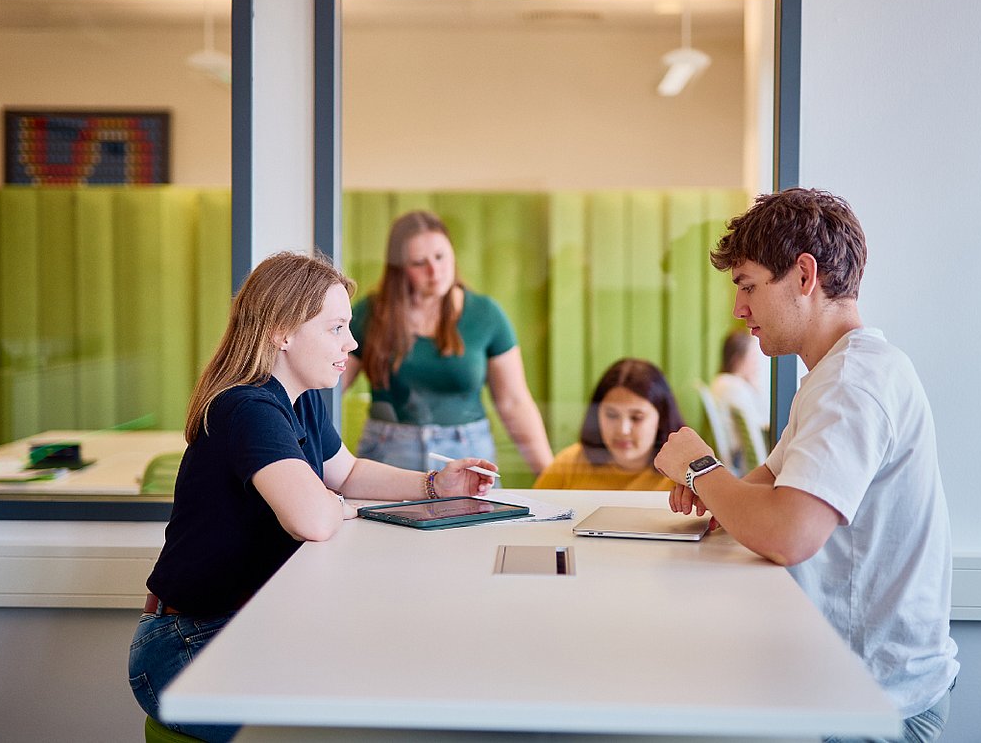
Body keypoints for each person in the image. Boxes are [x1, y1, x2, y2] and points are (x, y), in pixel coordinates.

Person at [128, 252, 495, 742]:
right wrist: (341, 506)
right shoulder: (247, 407)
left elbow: (346, 472)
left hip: (230, 628)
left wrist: (433, 485)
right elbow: (313, 520)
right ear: (282, 331)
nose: (353, 341)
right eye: (336, 328)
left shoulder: (299, 400)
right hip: (187, 647)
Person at [654, 188, 958, 743]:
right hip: (852, 691)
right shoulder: (836, 374)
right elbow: (765, 489)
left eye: (748, 286)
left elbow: (788, 533)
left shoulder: (851, 384)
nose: (738, 309)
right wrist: (715, 492)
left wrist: (700, 467)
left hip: (876, 705)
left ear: (803, 275)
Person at [342, 210, 554, 475]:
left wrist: (549, 475)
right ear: (400, 268)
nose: (435, 270)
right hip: (389, 451)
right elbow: (328, 388)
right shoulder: (371, 314)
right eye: (420, 263)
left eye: (441, 257)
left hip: (468, 451)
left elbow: (514, 402)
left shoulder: (485, 314)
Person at [534, 358, 682, 490]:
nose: (623, 430)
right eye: (611, 415)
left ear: (661, 418)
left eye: (637, 418)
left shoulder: (681, 474)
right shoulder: (569, 464)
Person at [710, 328, 769, 472]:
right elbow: (759, 422)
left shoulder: (720, 382)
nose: (756, 364)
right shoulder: (735, 387)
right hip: (742, 461)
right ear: (738, 358)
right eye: (753, 357)